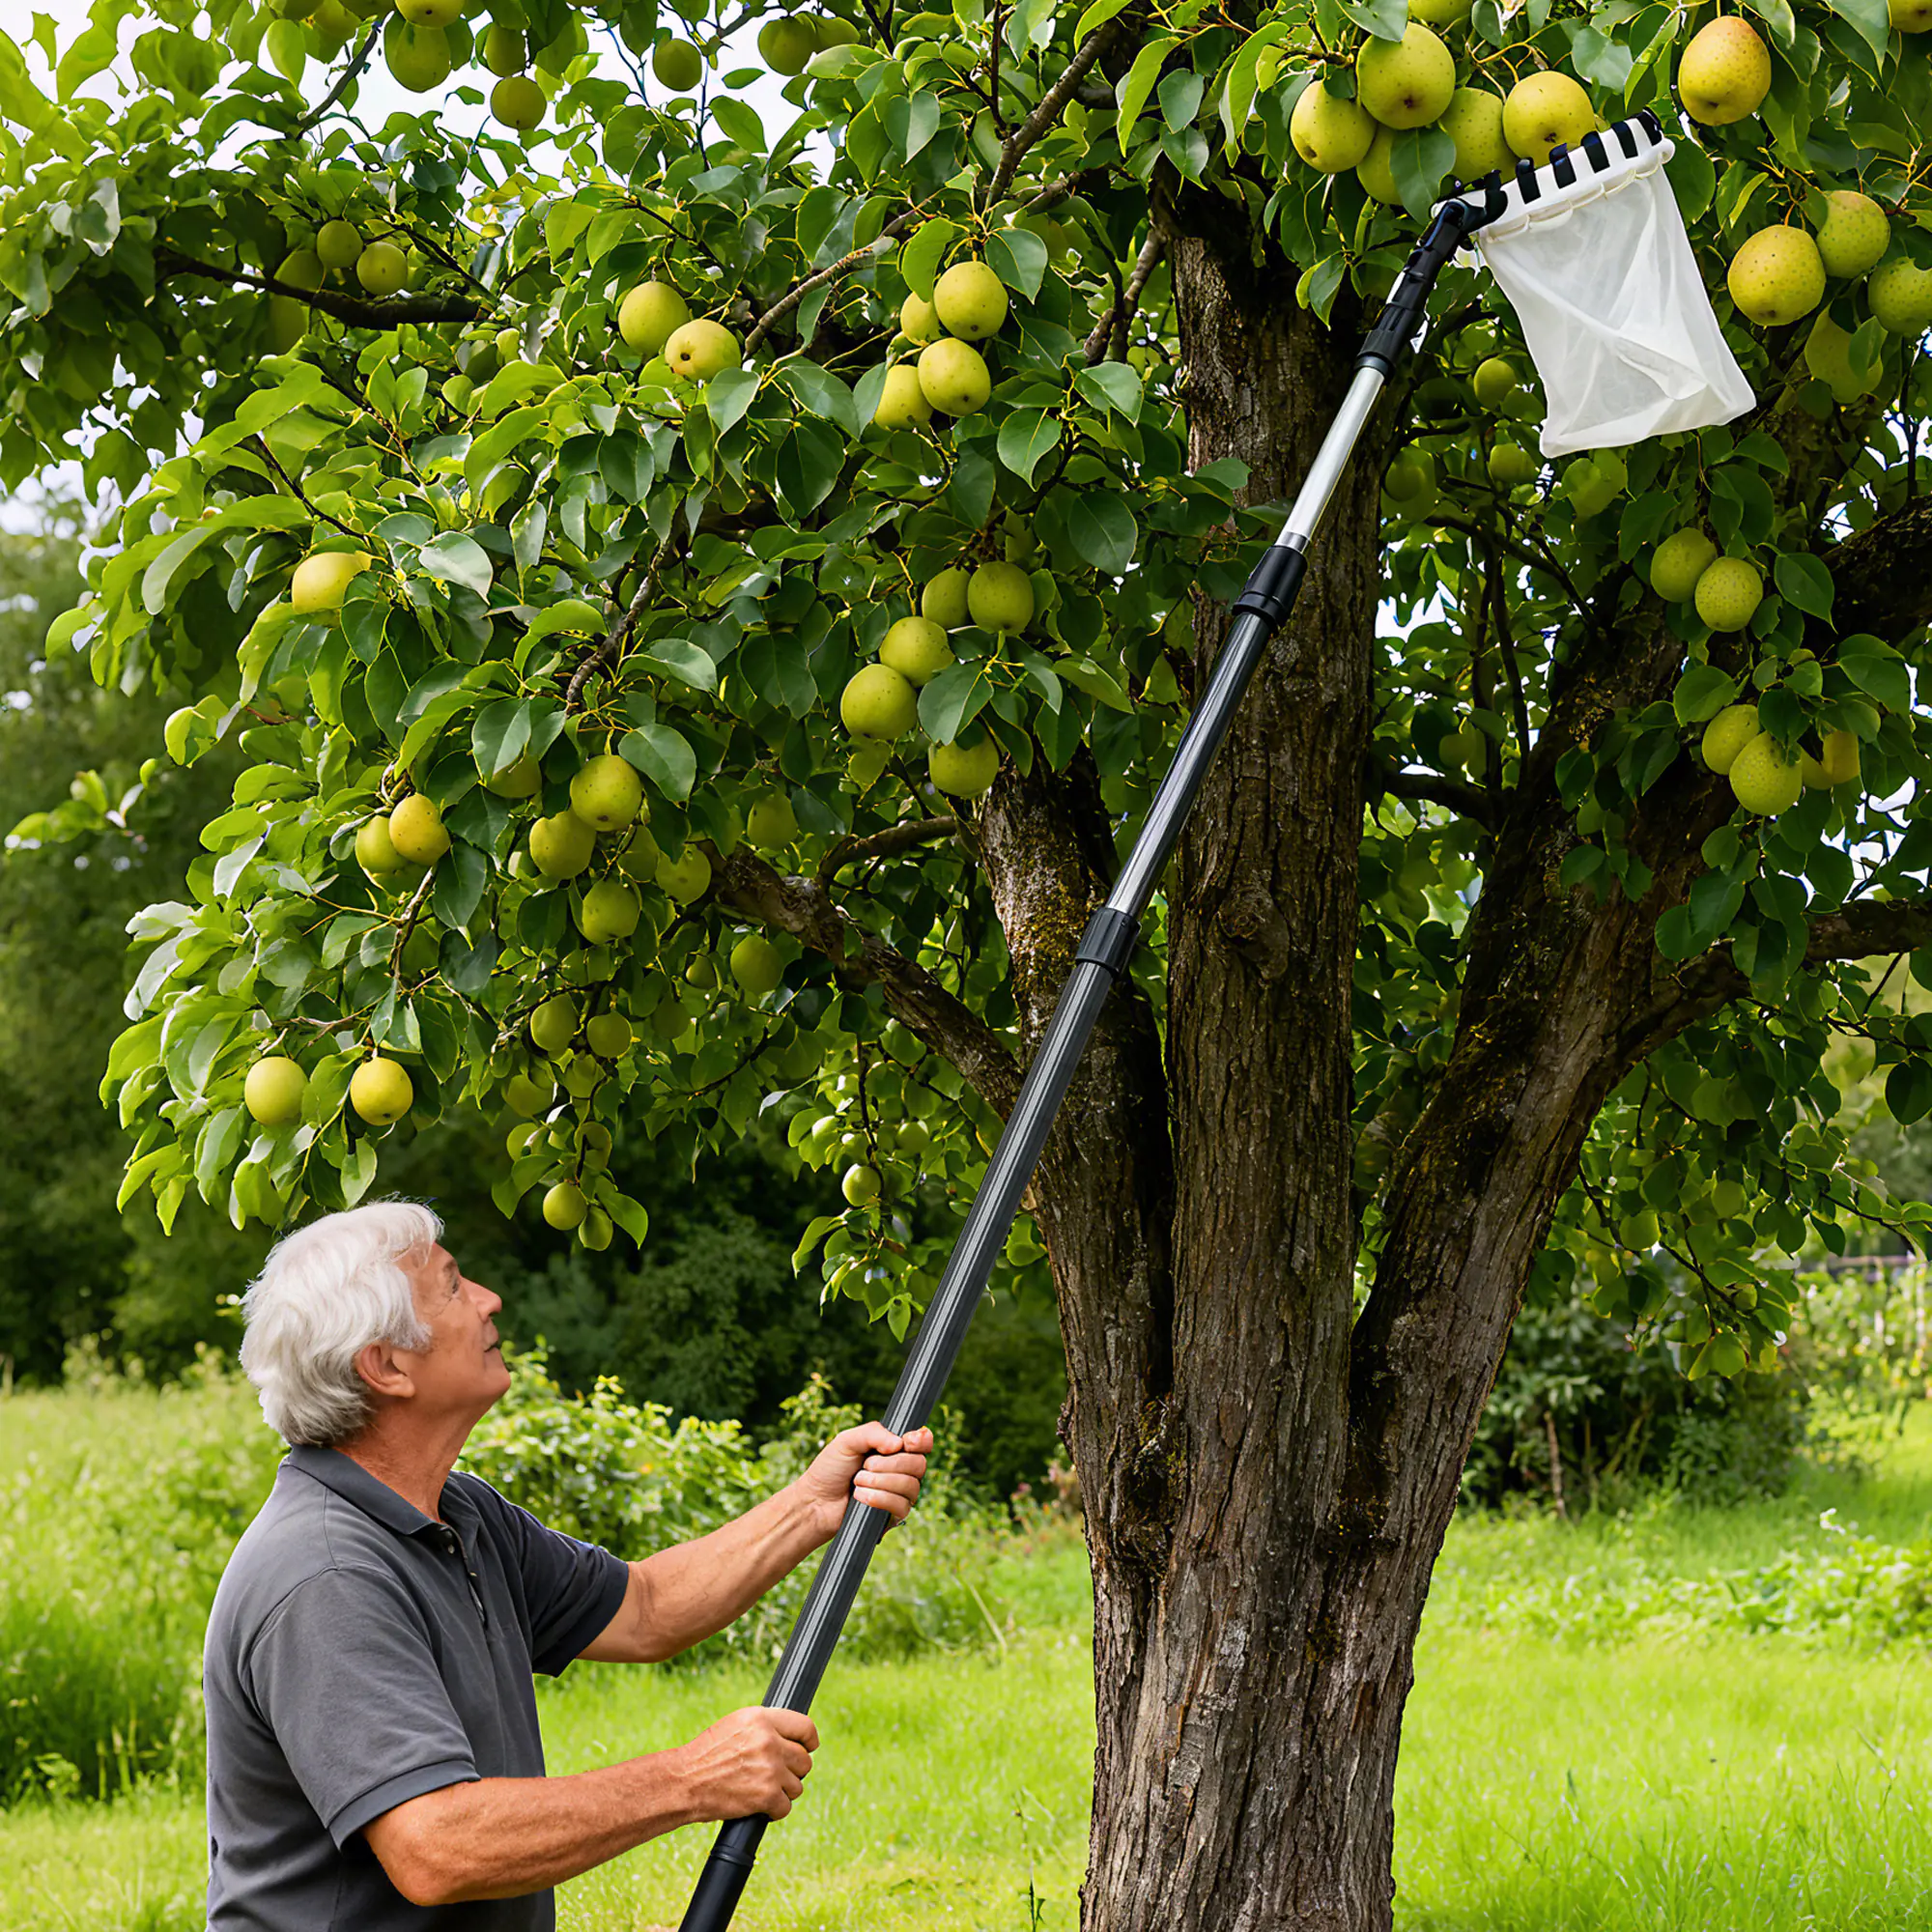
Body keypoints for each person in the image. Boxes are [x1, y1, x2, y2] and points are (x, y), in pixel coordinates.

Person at [204, 1199, 932, 1928]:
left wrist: (811, 1506)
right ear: (386, 1365)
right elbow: (435, 1844)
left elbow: (647, 1608)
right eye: (455, 1286)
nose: (490, 1300)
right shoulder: (327, 1574)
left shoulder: (461, 1516)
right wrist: (693, 1778)